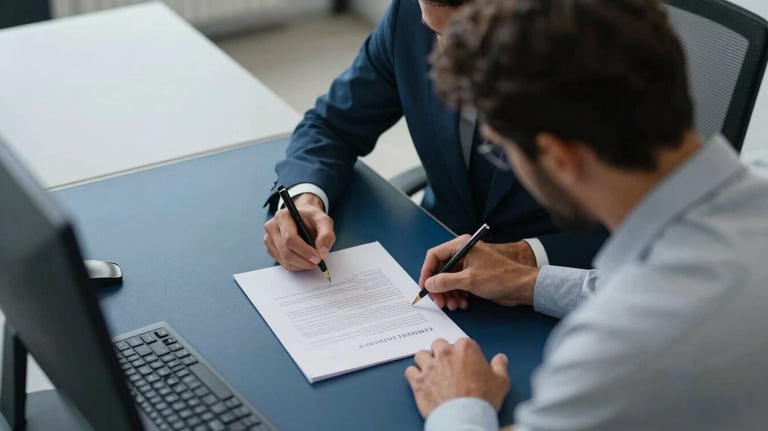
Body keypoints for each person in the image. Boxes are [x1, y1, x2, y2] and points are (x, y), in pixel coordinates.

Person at [406, 0, 768, 429]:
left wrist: (458, 404)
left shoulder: (614, 356)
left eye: (500, 149)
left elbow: (651, 314)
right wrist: (529, 283)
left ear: (560, 158)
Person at [263, 0, 607, 308]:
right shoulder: (409, 16)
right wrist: (305, 197)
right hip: (430, 253)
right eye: (436, 32)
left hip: (559, 291)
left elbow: (643, 223)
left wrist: (527, 255)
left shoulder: (598, 50)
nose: (448, 66)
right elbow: (332, 124)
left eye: (467, 40)